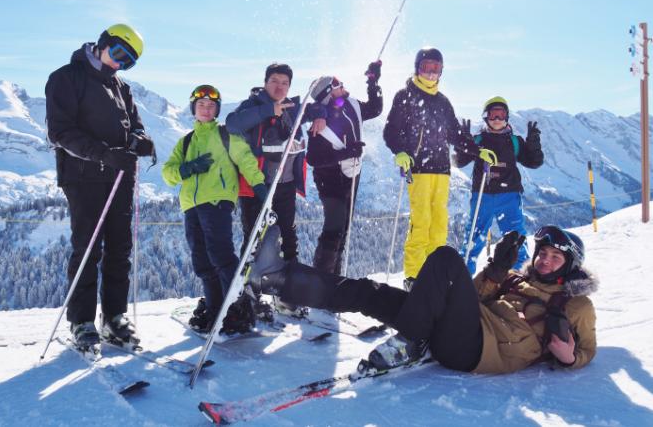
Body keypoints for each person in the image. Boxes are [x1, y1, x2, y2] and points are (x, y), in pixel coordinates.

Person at [250, 224, 597, 375]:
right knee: (371, 293)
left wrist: (570, 358)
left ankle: (411, 341)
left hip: (478, 350)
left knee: (447, 257)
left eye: (556, 257)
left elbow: (588, 351)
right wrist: (496, 270)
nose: (545, 260)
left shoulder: (575, 304)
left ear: (569, 267)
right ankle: (279, 278)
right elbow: (473, 297)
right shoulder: (516, 278)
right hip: (459, 328)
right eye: (543, 253)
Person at [45, 24, 155, 350]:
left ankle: (115, 318)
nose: (120, 63)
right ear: (103, 43)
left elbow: (135, 125)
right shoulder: (67, 78)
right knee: (88, 249)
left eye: (129, 61)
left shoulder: (121, 86)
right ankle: (81, 322)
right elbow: (61, 133)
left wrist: (141, 141)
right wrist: (105, 154)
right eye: (119, 53)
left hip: (121, 177)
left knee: (119, 249)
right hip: (84, 175)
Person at [383, 47, 496, 290]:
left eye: (436, 69)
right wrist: (400, 152)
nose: (431, 73)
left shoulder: (443, 102)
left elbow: (456, 134)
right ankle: (413, 276)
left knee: (439, 224)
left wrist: (477, 151)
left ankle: (434, 274)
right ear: (417, 68)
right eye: (427, 67)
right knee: (421, 221)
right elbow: (391, 130)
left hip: (442, 170)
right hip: (419, 169)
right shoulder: (405, 96)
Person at [162, 85, 268, 333]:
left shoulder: (225, 135)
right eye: (201, 105)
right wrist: (186, 169)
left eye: (211, 106)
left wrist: (260, 187)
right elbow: (168, 173)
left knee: (221, 255)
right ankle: (214, 309)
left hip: (218, 201)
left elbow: (246, 160)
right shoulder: (186, 141)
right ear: (194, 109)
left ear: (217, 110)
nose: (206, 109)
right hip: (191, 206)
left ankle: (236, 311)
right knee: (202, 261)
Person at [225, 64, 325, 314]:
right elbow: (232, 124)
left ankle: (287, 294)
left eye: (284, 83)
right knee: (255, 238)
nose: (279, 87)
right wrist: (269, 110)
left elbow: (319, 108)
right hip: (257, 186)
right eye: (274, 81)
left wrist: (321, 113)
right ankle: (246, 294)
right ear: (265, 82)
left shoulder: (294, 108)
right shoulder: (252, 105)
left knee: (288, 238)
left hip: (286, 185)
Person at [305, 60, 383, 275]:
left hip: (352, 173)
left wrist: (373, 82)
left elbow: (375, 108)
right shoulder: (321, 119)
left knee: (343, 227)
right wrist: (347, 152)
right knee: (334, 227)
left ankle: (333, 279)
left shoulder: (352, 104)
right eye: (338, 83)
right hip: (329, 177)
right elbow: (313, 158)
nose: (343, 84)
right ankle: (321, 283)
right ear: (330, 92)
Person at [455, 97, 544, 274]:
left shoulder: (514, 141)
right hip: (483, 196)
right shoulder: (478, 140)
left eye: (501, 114)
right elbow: (459, 162)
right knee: (473, 237)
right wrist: (463, 144)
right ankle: (463, 280)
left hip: (509, 195)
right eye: (493, 114)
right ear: (486, 117)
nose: (497, 119)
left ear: (507, 117)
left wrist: (533, 145)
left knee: (515, 239)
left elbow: (534, 162)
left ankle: (520, 278)